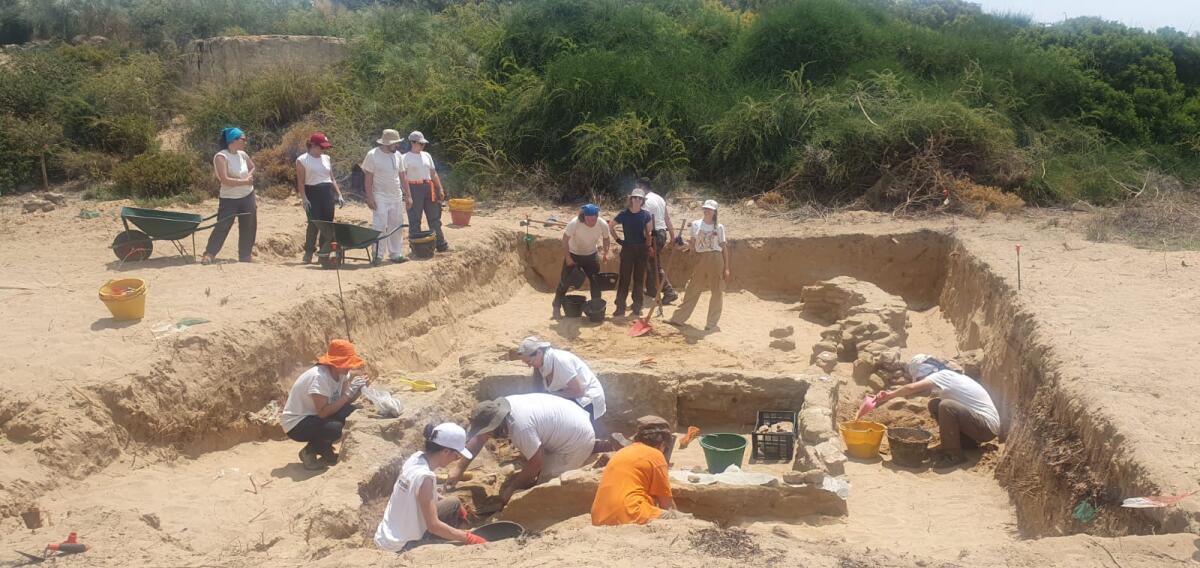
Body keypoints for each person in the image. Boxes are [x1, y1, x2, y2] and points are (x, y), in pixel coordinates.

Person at [448, 393, 595, 502]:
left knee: (546, 489)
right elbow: (479, 439)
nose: (485, 436)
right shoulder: (501, 409)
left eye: (487, 431)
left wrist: (513, 487)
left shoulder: (520, 427)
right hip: (568, 420)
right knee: (532, 466)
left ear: (496, 425)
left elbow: (536, 463)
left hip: (577, 440)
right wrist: (459, 469)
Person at [374, 423, 488, 551]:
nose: (456, 460)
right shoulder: (425, 478)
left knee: (453, 503)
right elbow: (433, 525)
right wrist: (468, 538)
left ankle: (447, 534)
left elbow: (417, 492)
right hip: (400, 546)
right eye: (457, 456)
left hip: (386, 534)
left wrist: (440, 498)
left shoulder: (415, 458)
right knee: (455, 549)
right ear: (445, 451)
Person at [874, 354, 1000, 468]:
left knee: (946, 406)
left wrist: (889, 395)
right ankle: (965, 443)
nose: (920, 382)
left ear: (926, 371)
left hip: (986, 427)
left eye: (920, 378)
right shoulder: (948, 378)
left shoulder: (944, 375)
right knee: (935, 404)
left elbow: (911, 388)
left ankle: (953, 455)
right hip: (979, 426)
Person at [281, 339, 369, 470]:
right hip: (297, 424)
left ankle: (324, 449)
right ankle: (309, 451)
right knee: (335, 428)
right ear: (336, 363)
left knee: (351, 412)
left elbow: (343, 403)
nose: (350, 367)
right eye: (347, 363)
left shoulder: (342, 374)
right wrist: (348, 393)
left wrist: (358, 391)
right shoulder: (319, 378)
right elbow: (323, 412)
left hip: (314, 416)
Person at [591, 415, 685, 525]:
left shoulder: (622, 452)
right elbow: (667, 504)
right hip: (630, 513)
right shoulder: (656, 455)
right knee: (681, 519)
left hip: (599, 518)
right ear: (663, 443)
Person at [668, 199, 730, 331]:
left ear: (714, 211)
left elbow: (724, 248)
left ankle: (711, 324)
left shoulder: (719, 227)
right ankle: (678, 319)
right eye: (705, 208)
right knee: (693, 288)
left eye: (710, 209)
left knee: (717, 291)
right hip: (701, 259)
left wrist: (727, 268)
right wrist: (681, 245)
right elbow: (693, 247)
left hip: (716, 258)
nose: (707, 211)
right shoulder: (696, 224)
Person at [201, 127, 257, 265]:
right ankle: (210, 253)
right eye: (243, 139)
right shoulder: (221, 156)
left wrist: (249, 177)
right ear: (233, 140)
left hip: (247, 195)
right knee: (223, 225)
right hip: (229, 198)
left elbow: (252, 167)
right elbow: (225, 179)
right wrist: (244, 181)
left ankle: (245, 256)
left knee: (249, 226)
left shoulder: (242, 154)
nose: (245, 142)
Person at [516, 336, 606, 422]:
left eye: (529, 362)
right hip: (571, 396)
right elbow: (539, 389)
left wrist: (551, 396)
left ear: (539, 352)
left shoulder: (561, 362)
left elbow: (579, 391)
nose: (529, 366)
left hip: (587, 400)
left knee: (556, 419)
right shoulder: (541, 363)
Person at [362, 129, 413, 263]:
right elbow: (368, 179)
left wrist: (408, 195)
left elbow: (403, 176)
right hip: (379, 195)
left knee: (396, 224)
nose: (397, 146)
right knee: (380, 224)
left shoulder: (398, 156)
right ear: (387, 143)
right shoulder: (372, 155)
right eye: (395, 143)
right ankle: (377, 255)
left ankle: (395, 253)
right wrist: (370, 197)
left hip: (396, 195)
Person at [552, 203, 611, 319]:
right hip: (574, 254)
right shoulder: (574, 223)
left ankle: (596, 308)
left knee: (595, 283)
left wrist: (605, 253)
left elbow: (606, 238)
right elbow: (564, 240)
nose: (591, 222)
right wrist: (568, 258)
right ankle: (556, 307)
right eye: (588, 219)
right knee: (564, 281)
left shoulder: (602, 224)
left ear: (597, 216)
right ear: (584, 216)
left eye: (594, 219)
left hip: (591, 255)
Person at [296, 132, 345, 264]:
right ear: (312, 145)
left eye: (324, 148)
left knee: (327, 224)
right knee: (313, 223)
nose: (323, 150)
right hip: (312, 192)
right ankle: (308, 252)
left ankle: (323, 252)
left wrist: (339, 194)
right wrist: (304, 198)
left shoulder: (326, 158)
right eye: (321, 147)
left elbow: (332, 178)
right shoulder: (302, 160)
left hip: (327, 192)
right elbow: (300, 182)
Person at [609, 188, 655, 317]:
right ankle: (620, 307)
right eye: (635, 197)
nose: (637, 200)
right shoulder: (624, 214)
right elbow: (611, 226)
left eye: (640, 198)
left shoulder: (646, 215)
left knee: (639, 279)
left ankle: (637, 306)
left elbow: (649, 233)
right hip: (628, 248)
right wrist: (618, 240)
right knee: (624, 278)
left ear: (642, 201)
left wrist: (649, 245)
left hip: (641, 249)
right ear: (631, 199)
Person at [401, 131, 449, 253]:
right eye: (420, 143)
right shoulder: (404, 158)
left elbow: (433, 173)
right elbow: (403, 177)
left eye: (423, 143)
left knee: (434, 217)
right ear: (412, 142)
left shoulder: (427, 155)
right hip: (413, 187)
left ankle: (441, 244)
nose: (422, 146)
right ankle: (416, 247)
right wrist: (407, 194)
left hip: (428, 187)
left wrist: (440, 188)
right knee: (415, 218)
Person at [637, 179, 679, 305]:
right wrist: (672, 236)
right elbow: (667, 219)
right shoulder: (660, 198)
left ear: (641, 187)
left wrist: (645, 240)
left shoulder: (645, 201)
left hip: (652, 235)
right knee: (650, 262)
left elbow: (645, 223)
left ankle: (669, 291)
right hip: (662, 234)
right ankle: (651, 290)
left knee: (654, 264)